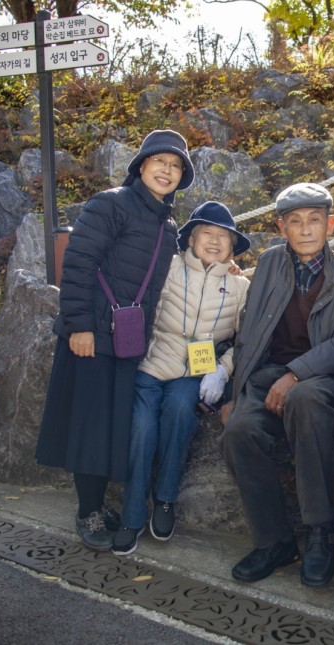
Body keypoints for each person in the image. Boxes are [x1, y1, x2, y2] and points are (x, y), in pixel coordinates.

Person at [36, 130, 195, 551]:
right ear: (140, 166)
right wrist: (79, 325)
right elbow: (78, 262)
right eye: (160, 161)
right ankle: (87, 510)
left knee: (110, 428)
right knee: (90, 427)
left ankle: (96, 502)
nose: (167, 170)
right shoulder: (111, 203)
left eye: (176, 166)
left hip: (126, 341)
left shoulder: (167, 225)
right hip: (91, 336)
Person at [219, 182, 334, 587]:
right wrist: (236, 394)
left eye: (314, 221)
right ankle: (275, 541)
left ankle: (320, 533)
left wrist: (297, 373)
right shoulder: (270, 262)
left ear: (331, 225)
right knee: (239, 432)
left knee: (304, 399)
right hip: (271, 373)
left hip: (328, 375)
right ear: (281, 227)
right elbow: (250, 331)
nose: (305, 230)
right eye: (296, 222)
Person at [111, 202, 252, 556]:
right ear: (191, 239)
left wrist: (223, 370)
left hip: (194, 373)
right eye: (207, 233)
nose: (215, 242)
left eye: (224, 237)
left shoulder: (240, 286)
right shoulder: (168, 266)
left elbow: (247, 340)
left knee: (178, 412)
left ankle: (165, 498)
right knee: (142, 426)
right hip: (151, 364)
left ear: (233, 246)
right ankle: (132, 514)